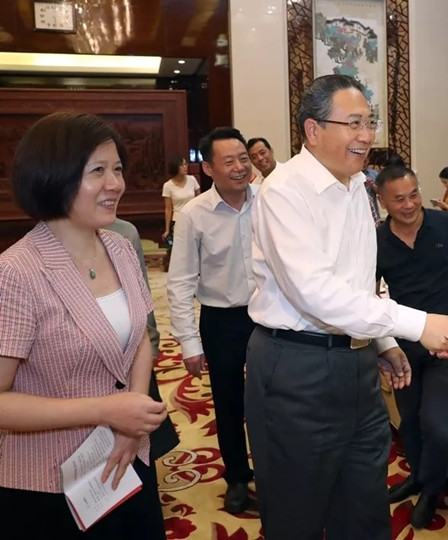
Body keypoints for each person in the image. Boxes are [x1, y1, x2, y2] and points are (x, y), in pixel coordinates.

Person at [245, 74, 448, 540]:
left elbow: (364, 281)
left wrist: (382, 341)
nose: (366, 135)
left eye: (370, 122)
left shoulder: (358, 188)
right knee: (297, 514)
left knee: (365, 509)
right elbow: (314, 292)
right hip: (297, 368)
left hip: (358, 367)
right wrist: (415, 325)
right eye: (354, 123)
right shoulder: (284, 191)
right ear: (313, 130)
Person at [0, 112, 168, 539]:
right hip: (51, 479)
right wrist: (106, 410)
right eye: (98, 171)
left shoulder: (120, 247)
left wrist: (130, 417)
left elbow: (140, 338)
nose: (115, 184)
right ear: (53, 177)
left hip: (128, 457)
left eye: (118, 169)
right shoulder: (18, 272)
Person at [375, 165, 448, 528]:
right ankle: (417, 477)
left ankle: (432, 491)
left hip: (446, 344)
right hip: (402, 347)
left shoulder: (445, 224)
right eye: (399, 199)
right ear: (382, 201)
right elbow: (368, 296)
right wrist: (382, 345)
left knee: (435, 422)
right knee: (409, 420)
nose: (409, 205)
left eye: (414, 195)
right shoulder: (376, 239)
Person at [166, 127, 258, 514]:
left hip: (271, 314)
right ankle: (237, 477)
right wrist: (189, 342)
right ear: (207, 168)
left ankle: (277, 468)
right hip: (222, 321)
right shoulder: (194, 214)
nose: (240, 167)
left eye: (244, 158)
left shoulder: (269, 201)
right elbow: (180, 281)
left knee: (276, 396)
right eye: (229, 161)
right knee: (228, 400)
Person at [107, 218, 180, 459]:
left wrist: (152, 341)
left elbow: (142, 297)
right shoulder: (20, 265)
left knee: (143, 447)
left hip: (133, 350)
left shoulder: (124, 234)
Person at [161, 156, 200, 245]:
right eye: (181, 165)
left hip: (194, 218)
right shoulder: (168, 186)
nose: (185, 167)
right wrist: (167, 229)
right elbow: (168, 209)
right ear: (175, 167)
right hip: (178, 219)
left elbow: (199, 199)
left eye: (185, 164)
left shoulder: (192, 179)